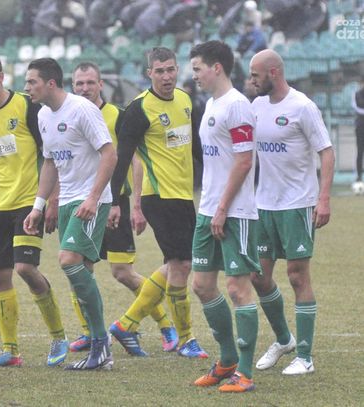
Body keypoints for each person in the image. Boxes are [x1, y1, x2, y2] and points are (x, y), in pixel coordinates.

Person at [68, 61, 179, 354]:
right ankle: (90, 333)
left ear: (101, 84)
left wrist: (134, 204)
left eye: (90, 83)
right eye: (79, 83)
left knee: (122, 272)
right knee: (78, 269)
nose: (84, 88)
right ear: (72, 86)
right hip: (80, 203)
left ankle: (165, 325)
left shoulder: (117, 115)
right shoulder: (66, 116)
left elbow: (135, 160)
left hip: (112, 203)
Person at [107, 47, 207, 358]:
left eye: (170, 70)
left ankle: (126, 324)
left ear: (178, 70)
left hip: (183, 195)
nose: (166, 76)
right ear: (149, 73)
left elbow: (196, 147)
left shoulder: (185, 100)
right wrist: (116, 202)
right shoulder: (138, 110)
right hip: (159, 195)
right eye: (159, 71)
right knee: (182, 265)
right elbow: (122, 157)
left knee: (176, 263)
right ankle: (186, 339)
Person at [0, 53, 68, 368]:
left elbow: (51, 156)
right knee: (0, 276)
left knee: (25, 269)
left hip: (29, 202)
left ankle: (58, 337)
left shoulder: (28, 108)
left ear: (1, 77)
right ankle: (10, 350)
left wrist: (52, 199)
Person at [23, 57, 116, 370]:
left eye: (32, 82)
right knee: (82, 273)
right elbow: (50, 163)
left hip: (90, 200)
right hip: (66, 201)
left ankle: (101, 342)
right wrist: (39, 206)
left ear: (50, 83)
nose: (27, 88)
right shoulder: (43, 115)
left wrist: (93, 198)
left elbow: (109, 154)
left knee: (68, 260)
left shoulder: (82, 110)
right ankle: (99, 348)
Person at [249, 49, 335, 375]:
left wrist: (323, 199)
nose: (252, 81)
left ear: (273, 72)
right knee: (258, 277)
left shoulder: (303, 107)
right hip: (263, 206)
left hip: (297, 204)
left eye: (255, 75)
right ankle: (284, 340)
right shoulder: (256, 107)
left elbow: (326, 152)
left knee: (297, 276)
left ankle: (305, 357)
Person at [189, 40, 260, 392]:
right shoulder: (210, 105)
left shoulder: (237, 105)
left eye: (197, 68)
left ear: (216, 67)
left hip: (235, 213)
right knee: (202, 285)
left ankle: (244, 373)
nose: (194, 75)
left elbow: (244, 161)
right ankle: (227, 359)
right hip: (208, 210)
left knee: (237, 288)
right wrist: (211, 207)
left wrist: (222, 208)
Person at [352, 78, 364, 183]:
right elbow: (356, 107)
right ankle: (359, 176)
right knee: (360, 152)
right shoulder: (357, 94)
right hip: (360, 126)